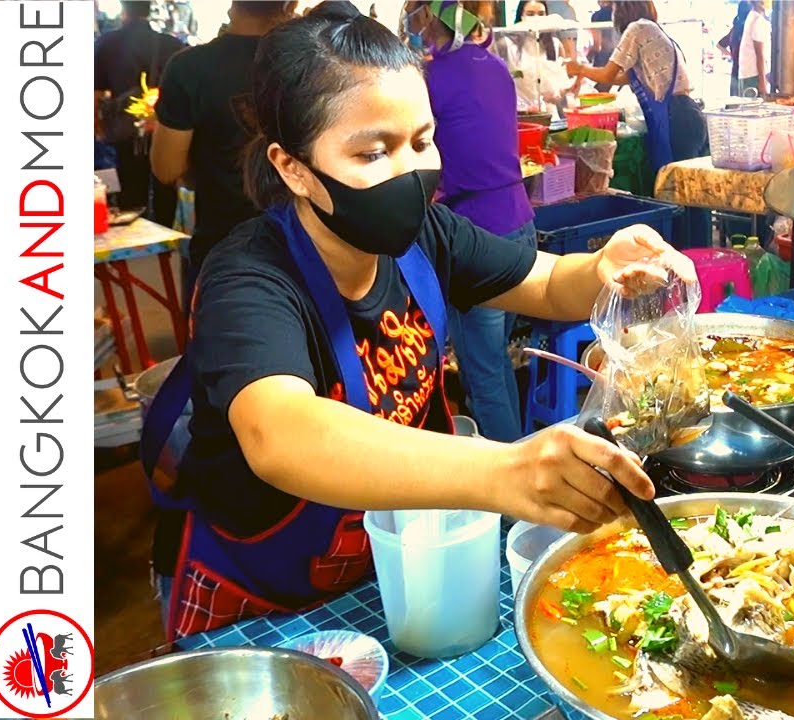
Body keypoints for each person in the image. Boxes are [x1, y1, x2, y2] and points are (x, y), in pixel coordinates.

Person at [146, 5, 692, 639]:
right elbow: (281, 433)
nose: (410, 171)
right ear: (292, 165)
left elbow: (541, 281)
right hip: (261, 609)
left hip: (393, 573)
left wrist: (603, 265)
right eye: (374, 151)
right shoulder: (248, 277)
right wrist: (507, 470)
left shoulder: (425, 239)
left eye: (422, 141)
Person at [405, 0, 535, 443]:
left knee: (484, 377)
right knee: (496, 363)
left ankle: (506, 500)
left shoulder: (431, 80)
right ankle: (518, 452)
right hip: (520, 223)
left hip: (477, 232)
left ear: (425, 17)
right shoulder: (493, 64)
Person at [151, 1, 298, 308]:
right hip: (308, 246)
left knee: (221, 350)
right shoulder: (309, 59)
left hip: (224, 249)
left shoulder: (189, 68)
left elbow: (165, 167)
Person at [567, 1, 708, 175]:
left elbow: (607, 75)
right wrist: (585, 74)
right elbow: (624, 78)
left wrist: (580, 68)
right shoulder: (650, 28)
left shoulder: (637, 29)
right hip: (687, 114)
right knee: (678, 184)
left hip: (677, 118)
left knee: (676, 185)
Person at [94, 0, 185, 225]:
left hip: (125, 129)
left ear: (124, 11)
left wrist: (97, 127)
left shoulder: (108, 42)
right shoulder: (171, 44)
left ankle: (136, 239)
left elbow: (95, 93)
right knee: (165, 186)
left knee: (130, 188)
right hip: (165, 127)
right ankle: (164, 242)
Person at [737, 0, 771, 97]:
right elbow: (759, 54)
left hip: (749, 74)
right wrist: (762, 81)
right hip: (754, 76)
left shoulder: (752, 16)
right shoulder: (758, 20)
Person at [717, 1, 752, 96]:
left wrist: (731, 55)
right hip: (748, 71)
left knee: (735, 102)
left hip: (736, 70)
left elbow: (720, 44)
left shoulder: (734, 29)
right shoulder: (748, 30)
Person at [589, 0, 618, 91]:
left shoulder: (596, 16)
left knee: (602, 90)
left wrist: (589, 55)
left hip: (604, 57)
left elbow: (597, 44)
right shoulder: (621, 13)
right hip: (620, 55)